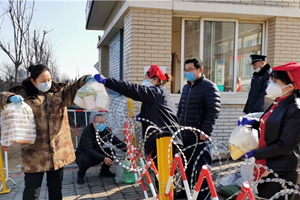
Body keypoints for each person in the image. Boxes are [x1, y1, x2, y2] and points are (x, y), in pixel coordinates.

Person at [0, 64, 93, 200]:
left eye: (49, 79)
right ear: (33, 81)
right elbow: (2, 97)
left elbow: (73, 89)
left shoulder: (59, 92)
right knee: (31, 192)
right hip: (34, 153)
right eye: (43, 81)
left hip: (57, 153)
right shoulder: (23, 93)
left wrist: (85, 79)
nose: (47, 84)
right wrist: (8, 98)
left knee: (56, 190)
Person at [94, 65, 183, 192]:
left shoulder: (155, 92)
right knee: (164, 179)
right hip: (164, 140)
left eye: (146, 78)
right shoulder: (160, 93)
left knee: (165, 180)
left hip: (165, 142)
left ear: (155, 80)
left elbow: (132, 89)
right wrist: (145, 115)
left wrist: (108, 82)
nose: (144, 81)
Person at [239, 62, 300, 200]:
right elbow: (271, 124)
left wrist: (255, 153)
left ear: (290, 87)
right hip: (267, 166)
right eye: (270, 80)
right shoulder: (278, 102)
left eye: (275, 81)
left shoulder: (295, 109)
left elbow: (286, 145)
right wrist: (252, 124)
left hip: (280, 170)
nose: (270, 84)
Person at [176, 58, 221, 200]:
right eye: (186, 70)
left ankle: (204, 195)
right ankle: (188, 191)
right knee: (187, 166)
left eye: (191, 69)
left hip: (199, 135)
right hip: (185, 134)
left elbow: (213, 110)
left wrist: (205, 132)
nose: (187, 72)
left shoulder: (209, 87)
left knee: (202, 167)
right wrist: (178, 126)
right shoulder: (186, 87)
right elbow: (181, 109)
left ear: (200, 70)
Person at [75, 114, 126, 184]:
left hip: (97, 151)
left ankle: (105, 172)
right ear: (93, 123)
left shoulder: (105, 130)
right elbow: (88, 150)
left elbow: (116, 141)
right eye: (99, 122)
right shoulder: (87, 131)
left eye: (103, 123)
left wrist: (128, 149)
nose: (101, 125)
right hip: (84, 154)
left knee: (111, 152)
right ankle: (81, 174)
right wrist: (103, 158)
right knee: (85, 160)